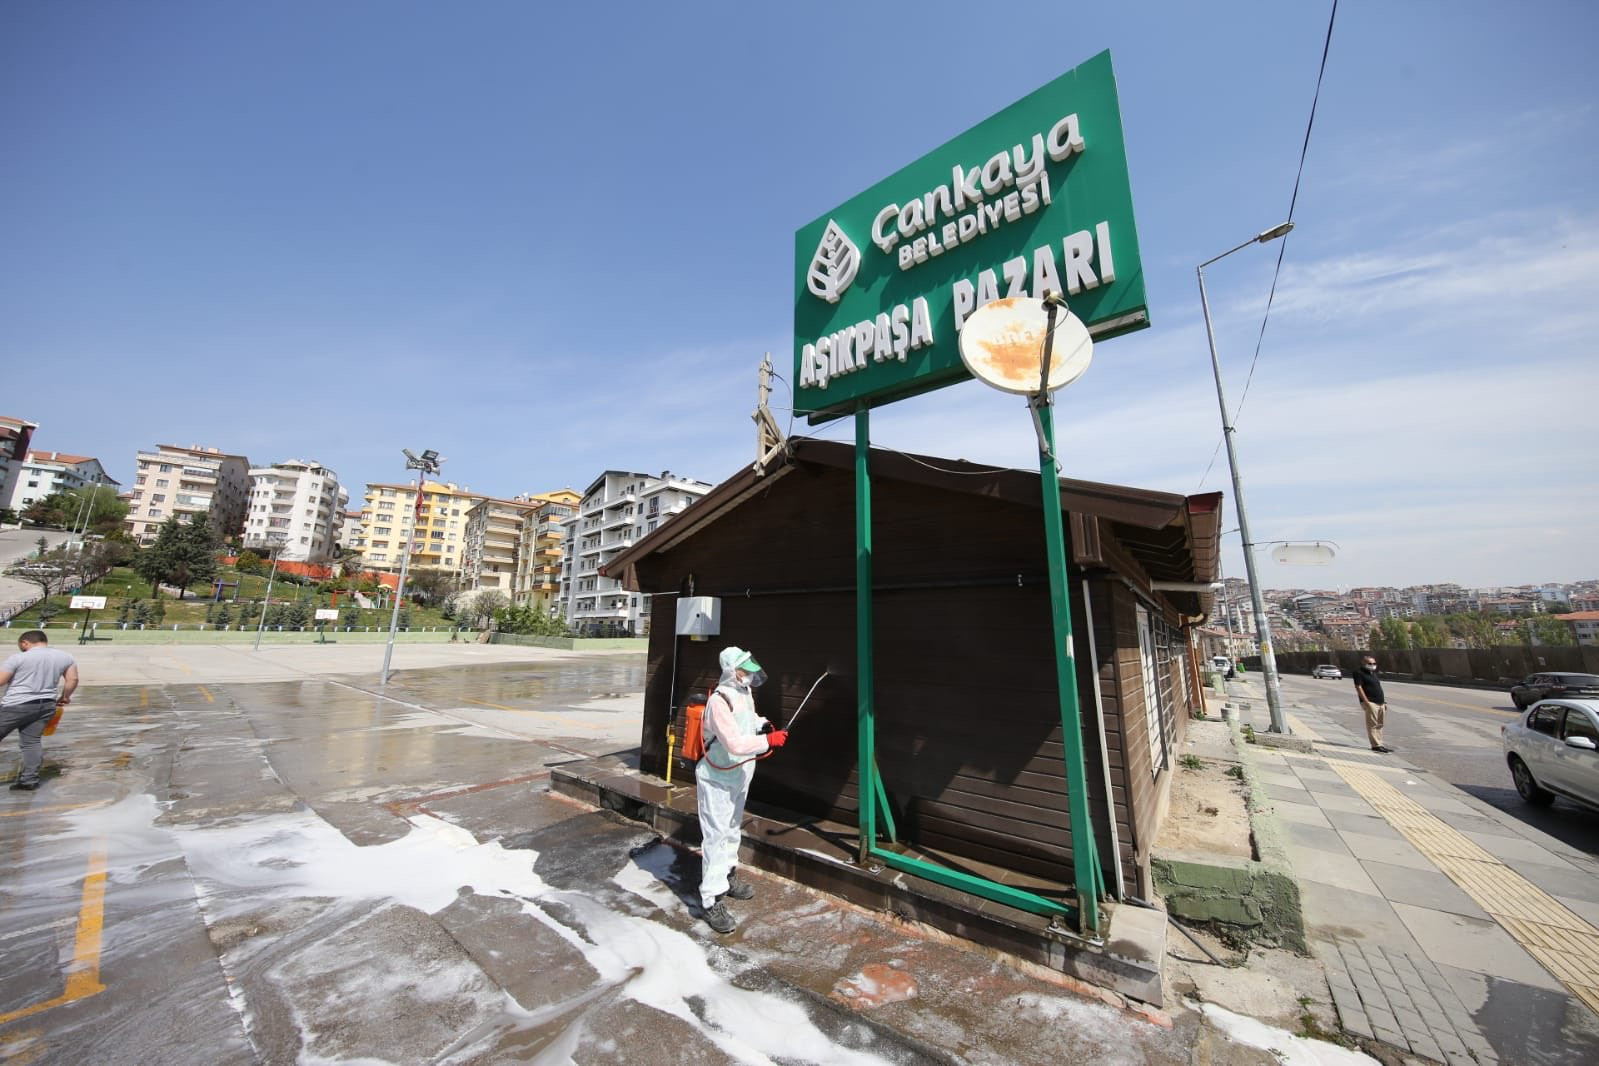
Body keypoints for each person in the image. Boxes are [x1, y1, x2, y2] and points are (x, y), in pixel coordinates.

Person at [695, 645, 787, 934]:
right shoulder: (719, 701)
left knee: (733, 828)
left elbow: (747, 721)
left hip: (740, 773)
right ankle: (711, 899)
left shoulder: (744, 693)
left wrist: (763, 725)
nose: (750, 673)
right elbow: (733, 743)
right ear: (731, 671)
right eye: (745, 668)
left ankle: (728, 874)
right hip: (717, 778)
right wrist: (768, 742)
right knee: (715, 835)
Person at [1, 630, 79, 791]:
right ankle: (29, 780)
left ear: (25, 643)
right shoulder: (65, 657)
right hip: (46, 706)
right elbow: (73, 679)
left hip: (16, 705)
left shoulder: (19, 658)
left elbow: (1, 680)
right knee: (31, 742)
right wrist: (65, 696)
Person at [1353, 654, 1391, 753]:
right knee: (1372, 725)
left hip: (1380, 703)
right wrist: (1366, 702)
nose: (1372, 665)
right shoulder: (1359, 673)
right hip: (1371, 702)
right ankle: (1375, 745)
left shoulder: (1372, 673)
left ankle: (1380, 744)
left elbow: (1377, 688)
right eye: (1370, 663)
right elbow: (1359, 687)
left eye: (1374, 663)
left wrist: (1384, 702)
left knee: (1380, 724)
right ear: (1364, 663)